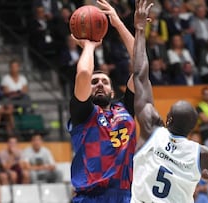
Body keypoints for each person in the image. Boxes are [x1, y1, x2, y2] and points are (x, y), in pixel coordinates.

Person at [130, 0, 208, 202]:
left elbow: (140, 75)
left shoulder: (151, 130)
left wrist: (140, 30)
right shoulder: (201, 154)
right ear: (193, 129)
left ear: (167, 119)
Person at [66, 0, 136, 201]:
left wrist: (118, 23)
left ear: (112, 92)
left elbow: (141, 66)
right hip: (90, 196)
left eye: (104, 81)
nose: (99, 84)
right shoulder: (83, 113)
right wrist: (89, 46)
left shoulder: (125, 109)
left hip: (125, 195)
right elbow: (84, 74)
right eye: (94, 81)